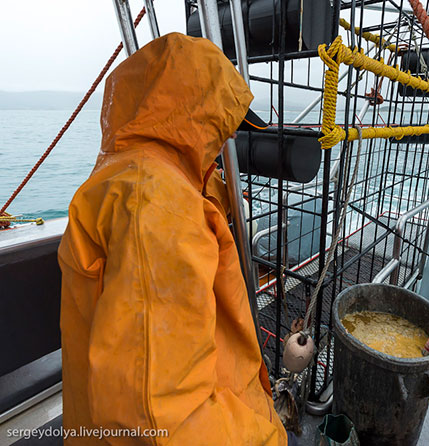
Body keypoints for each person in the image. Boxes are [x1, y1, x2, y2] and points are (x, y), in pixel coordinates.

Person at [58, 32, 287, 445]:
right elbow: (158, 416)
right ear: (191, 118)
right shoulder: (156, 207)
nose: (229, 139)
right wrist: (270, 437)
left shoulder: (144, 177)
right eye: (220, 125)